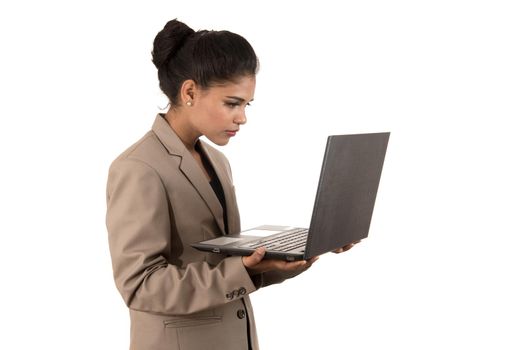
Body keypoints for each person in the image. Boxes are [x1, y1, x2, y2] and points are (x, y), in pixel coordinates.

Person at [106, 18, 356, 350]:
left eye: (246, 105)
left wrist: (283, 260)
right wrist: (238, 270)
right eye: (232, 103)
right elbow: (140, 286)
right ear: (190, 92)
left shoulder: (217, 161)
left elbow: (221, 265)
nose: (242, 117)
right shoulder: (138, 167)